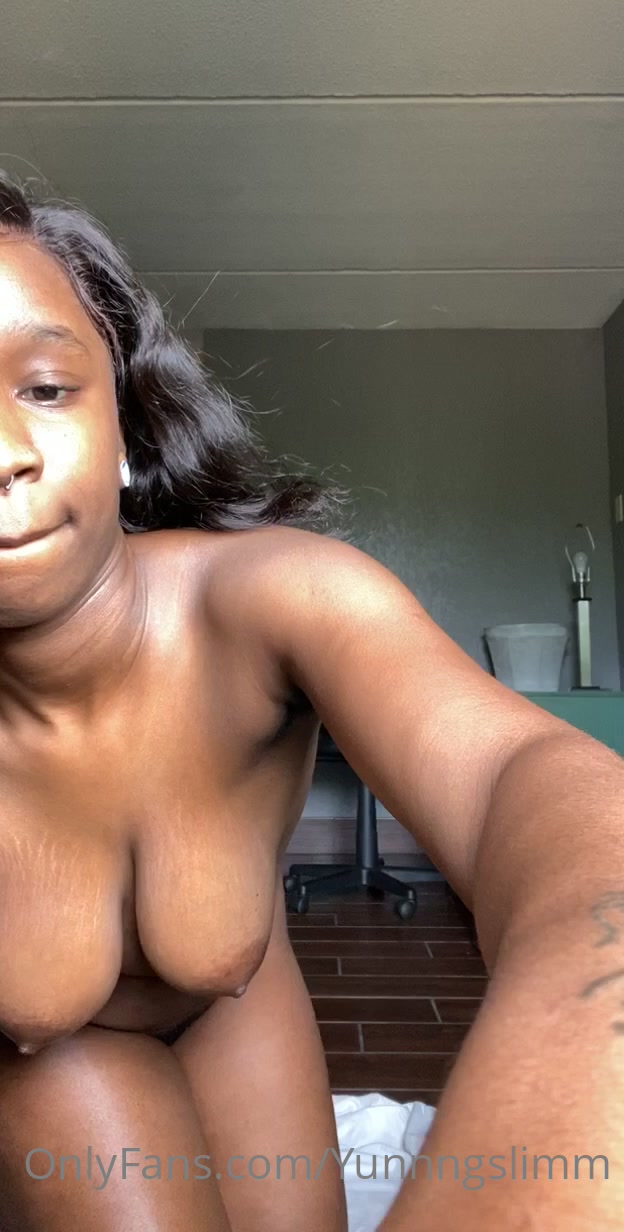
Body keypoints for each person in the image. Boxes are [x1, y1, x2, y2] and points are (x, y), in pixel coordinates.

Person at [0, 170, 622, 1232]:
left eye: (47, 389)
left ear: (127, 427)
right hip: (40, 1060)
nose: (6, 456)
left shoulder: (271, 596)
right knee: (79, 1101)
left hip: (237, 1005)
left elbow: (523, 780)